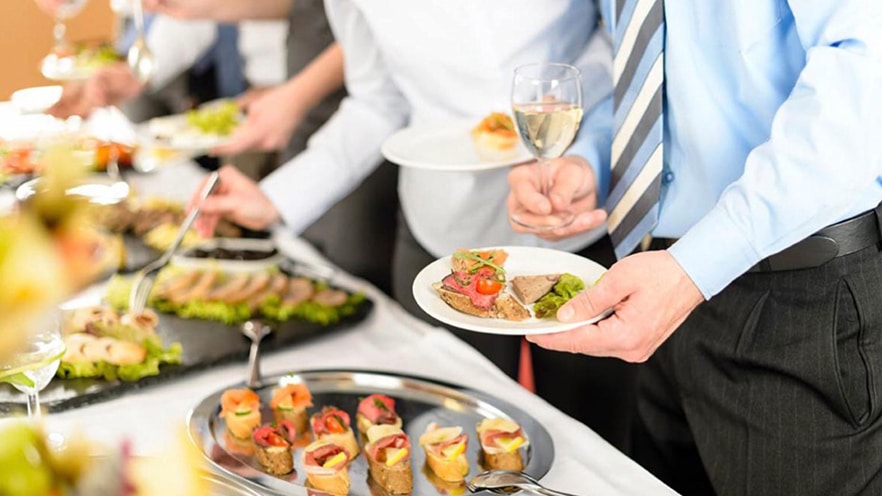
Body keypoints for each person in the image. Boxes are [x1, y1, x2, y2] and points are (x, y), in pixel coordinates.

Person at [179, 0, 639, 452]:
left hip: (581, 209)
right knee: (441, 443)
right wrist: (278, 196)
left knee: (595, 447)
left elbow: (623, 37)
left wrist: (566, 97)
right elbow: (377, 102)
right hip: (444, 235)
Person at [508, 1, 882, 494]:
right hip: (660, 278)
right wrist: (591, 160)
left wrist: (692, 268)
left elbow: (863, 84)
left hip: (796, 301)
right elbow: (646, 57)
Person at [146, 0, 399, 296]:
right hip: (344, 142)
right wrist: (277, 199)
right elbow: (379, 104)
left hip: (373, 153)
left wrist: (295, 95)